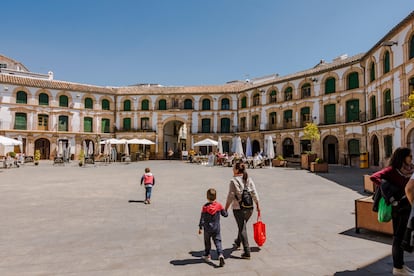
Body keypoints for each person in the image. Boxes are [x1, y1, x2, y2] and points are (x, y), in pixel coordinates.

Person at [370, 147, 414, 276]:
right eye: (409, 156)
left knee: (402, 236)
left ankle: (401, 266)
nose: (411, 158)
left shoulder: (410, 169)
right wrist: (389, 188)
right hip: (398, 207)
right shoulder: (392, 170)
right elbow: (374, 177)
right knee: (398, 238)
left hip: (408, 205)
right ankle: (398, 267)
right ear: (402, 157)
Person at [225, 161, 260, 259]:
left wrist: (226, 208)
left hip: (238, 208)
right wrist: (258, 205)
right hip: (250, 208)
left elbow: (231, 196)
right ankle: (237, 241)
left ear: (236, 170)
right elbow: (254, 192)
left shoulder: (233, 180)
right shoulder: (248, 179)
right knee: (242, 225)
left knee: (242, 227)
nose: (232, 169)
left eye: (233, 167)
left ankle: (247, 251)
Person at [198, 188, 228, 267]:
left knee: (207, 242)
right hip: (216, 228)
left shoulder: (205, 207)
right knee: (218, 241)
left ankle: (207, 255)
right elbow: (225, 214)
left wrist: (200, 227)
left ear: (207, 197)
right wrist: (225, 211)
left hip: (207, 228)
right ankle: (220, 255)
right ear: (216, 196)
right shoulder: (219, 205)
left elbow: (202, 218)